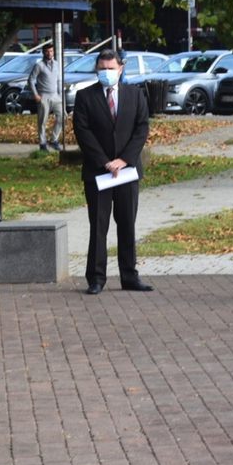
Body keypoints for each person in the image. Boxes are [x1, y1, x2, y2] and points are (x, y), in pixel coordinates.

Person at [72, 50, 152, 295]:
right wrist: (105, 162)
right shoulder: (85, 96)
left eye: (110, 68)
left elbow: (142, 128)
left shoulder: (135, 94)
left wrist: (124, 159)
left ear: (121, 68)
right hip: (98, 172)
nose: (106, 72)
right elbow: (82, 131)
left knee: (127, 224)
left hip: (127, 171)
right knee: (99, 226)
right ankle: (96, 278)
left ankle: (129, 276)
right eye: (102, 68)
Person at [28, 43, 66, 150]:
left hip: (55, 96)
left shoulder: (57, 64)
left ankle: (54, 140)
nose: (49, 53)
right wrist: (35, 94)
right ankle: (42, 143)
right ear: (43, 52)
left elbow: (59, 80)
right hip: (43, 96)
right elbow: (31, 80)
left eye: (51, 51)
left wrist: (61, 95)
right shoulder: (39, 65)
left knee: (62, 116)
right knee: (42, 121)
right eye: (47, 51)